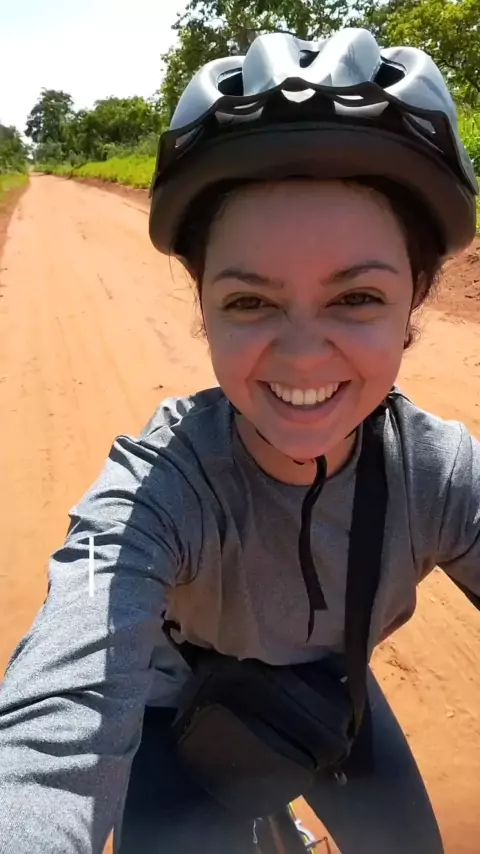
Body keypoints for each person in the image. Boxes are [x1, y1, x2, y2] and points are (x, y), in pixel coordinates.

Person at [0, 25, 479, 854]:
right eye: (251, 302)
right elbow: (53, 738)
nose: (303, 355)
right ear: (204, 307)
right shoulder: (156, 491)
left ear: (417, 298)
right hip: (172, 709)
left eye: (357, 298)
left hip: (330, 692)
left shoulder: (437, 474)